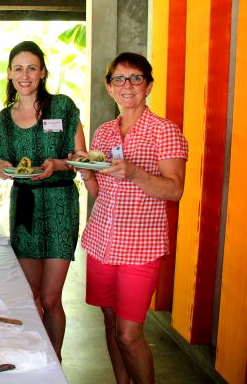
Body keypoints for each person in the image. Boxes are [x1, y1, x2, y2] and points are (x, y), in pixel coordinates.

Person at [78, 52, 188, 384]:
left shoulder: (164, 131)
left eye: (136, 78)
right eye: (119, 79)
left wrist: (135, 172)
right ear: (109, 87)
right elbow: (101, 191)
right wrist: (84, 172)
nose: (128, 86)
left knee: (129, 334)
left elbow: (175, 190)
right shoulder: (104, 133)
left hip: (140, 248)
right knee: (110, 324)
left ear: (149, 85)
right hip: (101, 243)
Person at [0, 40, 86, 360]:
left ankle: (55, 361)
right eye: (18, 68)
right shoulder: (4, 118)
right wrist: (3, 169)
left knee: (50, 299)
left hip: (61, 205)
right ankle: (35, 359)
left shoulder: (62, 107)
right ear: (9, 73)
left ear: (43, 72)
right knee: (30, 296)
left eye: (32, 67)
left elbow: (81, 158)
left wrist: (59, 164)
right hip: (25, 206)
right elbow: (3, 163)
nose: (25, 74)